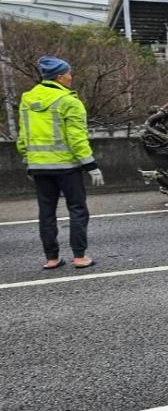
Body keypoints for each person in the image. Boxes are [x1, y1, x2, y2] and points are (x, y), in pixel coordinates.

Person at [16, 56, 103, 270]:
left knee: (46, 212)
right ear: (59, 76)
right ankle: (80, 257)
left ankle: (52, 259)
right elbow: (77, 138)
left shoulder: (27, 99)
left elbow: (23, 136)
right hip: (67, 167)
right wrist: (91, 165)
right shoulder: (69, 102)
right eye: (69, 74)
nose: (71, 77)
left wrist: (29, 160)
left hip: (38, 167)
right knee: (77, 209)